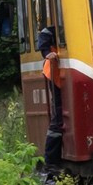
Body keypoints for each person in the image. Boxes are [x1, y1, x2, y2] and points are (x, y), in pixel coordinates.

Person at [38, 24, 64, 173]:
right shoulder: (53, 28)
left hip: (61, 74)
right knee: (58, 116)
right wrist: (47, 52)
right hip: (54, 74)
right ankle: (51, 161)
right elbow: (44, 35)